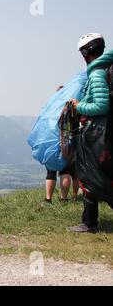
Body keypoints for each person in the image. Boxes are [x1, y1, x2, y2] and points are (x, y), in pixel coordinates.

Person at [68, 33, 113, 233]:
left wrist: (78, 107)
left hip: (97, 133)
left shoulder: (96, 73)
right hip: (105, 131)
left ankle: (89, 223)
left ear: (86, 52)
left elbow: (101, 105)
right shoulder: (106, 68)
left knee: (89, 173)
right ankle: (88, 221)